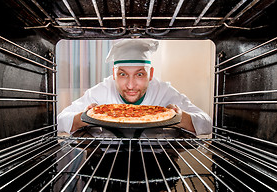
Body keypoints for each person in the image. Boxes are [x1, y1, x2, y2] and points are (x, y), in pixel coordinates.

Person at [57, 39, 212, 135]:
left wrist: (179, 117)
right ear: (113, 73)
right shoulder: (101, 90)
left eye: (139, 74)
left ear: (151, 74)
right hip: (108, 158)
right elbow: (60, 121)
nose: (131, 86)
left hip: (156, 158)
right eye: (123, 74)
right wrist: (86, 117)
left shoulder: (164, 91)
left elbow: (207, 124)